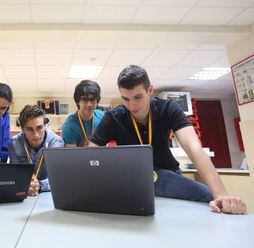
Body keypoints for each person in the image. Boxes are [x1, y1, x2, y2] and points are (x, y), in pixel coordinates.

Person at [89, 65, 247, 215]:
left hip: (168, 174)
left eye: (138, 97)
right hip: (132, 178)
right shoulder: (113, 117)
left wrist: (220, 194)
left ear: (150, 90)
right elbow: (91, 154)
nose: (132, 105)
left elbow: (193, 146)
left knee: (210, 197)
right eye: (126, 99)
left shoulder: (169, 108)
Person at [9, 105, 64, 196]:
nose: (36, 135)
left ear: (45, 125)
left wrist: (41, 186)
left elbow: (59, 177)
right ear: (22, 129)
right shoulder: (14, 143)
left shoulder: (56, 143)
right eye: (29, 129)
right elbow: (14, 174)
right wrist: (23, 184)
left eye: (39, 128)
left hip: (48, 194)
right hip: (23, 193)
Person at [62, 80, 104, 147]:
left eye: (92, 99)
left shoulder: (103, 117)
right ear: (78, 101)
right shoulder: (69, 125)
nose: (89, 104)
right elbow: (71, 156)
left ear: (97, 101)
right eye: (85, 100)